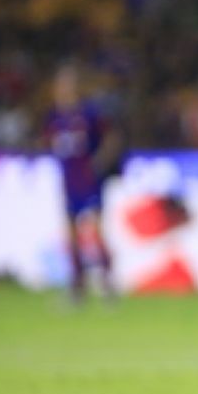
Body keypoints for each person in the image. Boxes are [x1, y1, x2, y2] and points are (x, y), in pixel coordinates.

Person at [42, 62, 122, 304]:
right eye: (61, 85)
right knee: (71, 235)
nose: (64, 90)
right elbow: (48, 143)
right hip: (69, 181)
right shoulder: (54, 117)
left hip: (90, 180)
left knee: (96, 232)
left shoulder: (89, 113)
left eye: (69, 85)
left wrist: (101, 161)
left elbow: (111, 137)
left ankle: (108, 285)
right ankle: (78, 289)